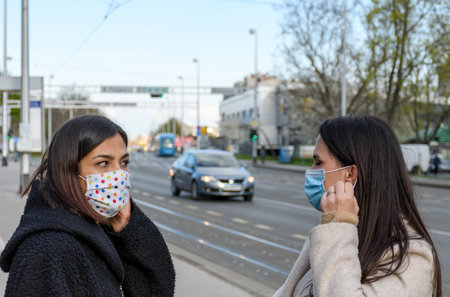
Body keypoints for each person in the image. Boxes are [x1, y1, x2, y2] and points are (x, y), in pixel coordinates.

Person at [0, 115, 175, 297]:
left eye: (124, 162)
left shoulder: (95, 232)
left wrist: (128, 228)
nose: (119, 174)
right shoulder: (49, 250)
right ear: (68, 172)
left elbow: (156, 288)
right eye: (103, 163)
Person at [273, 115, 442, 297]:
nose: (310, 172)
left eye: (318, 162)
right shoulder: (336, 233)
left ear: (350, 174)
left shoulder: (411, 258)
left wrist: (339, 223)